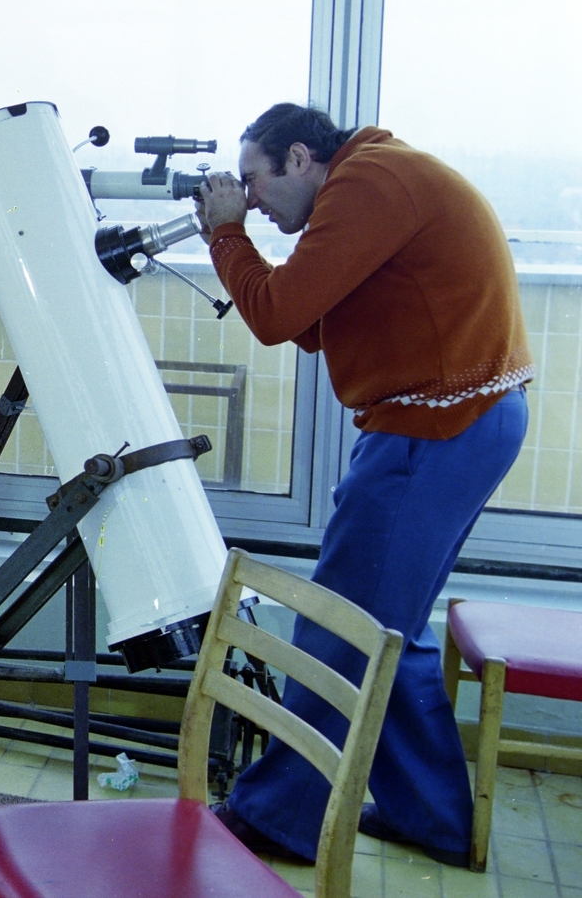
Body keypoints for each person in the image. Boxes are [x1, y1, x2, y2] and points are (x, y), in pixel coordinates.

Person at [195, 103, 531, 868]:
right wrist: (242, 237)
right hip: (471, 417)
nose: (250, 199)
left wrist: (224, 234)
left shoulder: (366, 184)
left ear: (302, 158)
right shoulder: (377, 176)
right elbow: (316, 321)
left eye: (254, 181)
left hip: (434, 427)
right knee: (390, 630)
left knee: (339, 623)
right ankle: (433, 816)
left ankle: (279, 816)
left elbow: (278, 315)